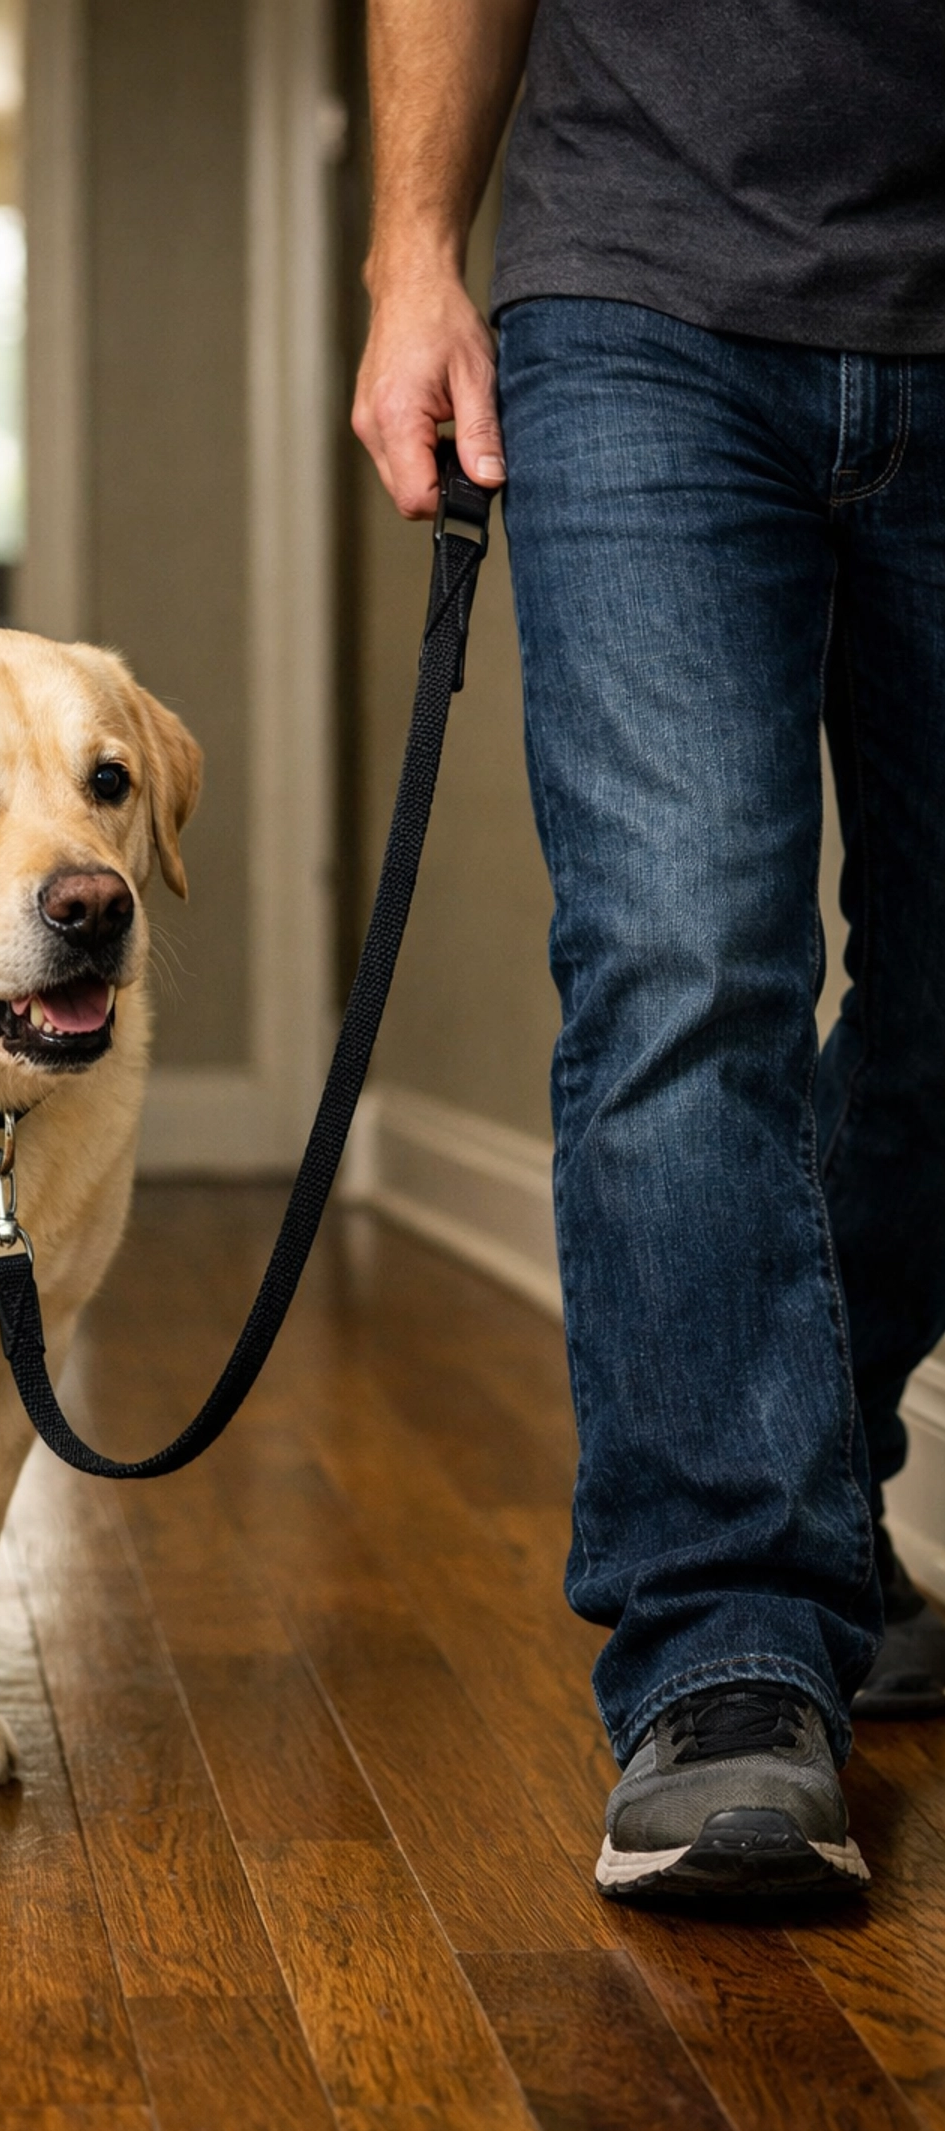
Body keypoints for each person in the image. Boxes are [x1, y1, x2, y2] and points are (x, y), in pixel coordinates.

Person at [354, 0, 945, 1901]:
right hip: (639, 301)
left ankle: (820, 1491)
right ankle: (730, 1660)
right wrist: (413, 254)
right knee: (686, 962)